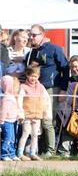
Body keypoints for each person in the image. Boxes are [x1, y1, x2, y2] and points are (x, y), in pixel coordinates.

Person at [24, 24, 69, 155]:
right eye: (30, 34)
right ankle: (40, 148)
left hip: (51, 88)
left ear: (43, 35)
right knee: (35, 119)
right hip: (34, 90)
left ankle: (50, 149)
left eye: (34, 35)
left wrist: (63, 89)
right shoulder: (31, 53)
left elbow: (65, 69)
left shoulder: (54, 49)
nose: (31, 37)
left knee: (47, 119)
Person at [1, 74, 20, 161]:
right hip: (6, 121)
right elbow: (3, 110)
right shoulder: (6, 98)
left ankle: (12, 153)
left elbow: (15, 108)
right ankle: (4, 154)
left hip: (12, 121)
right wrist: (1, 120)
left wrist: (18, 116)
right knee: (7, 138)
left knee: (12, 138)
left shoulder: (12, 97)